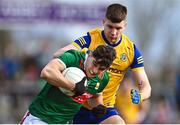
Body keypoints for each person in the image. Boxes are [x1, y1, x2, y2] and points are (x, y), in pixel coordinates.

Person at [53, 3, 151, 124]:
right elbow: (58, 54)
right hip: (77, 105)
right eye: (110, 26)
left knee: (118, 123)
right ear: (103, 22)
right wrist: (86, 56)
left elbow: (146, 86)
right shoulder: (90, 39)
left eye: (118, 28)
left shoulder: (131, 51)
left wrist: (140, 96)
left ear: (124, 26)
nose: (113, 32)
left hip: (103, 108)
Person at [20, 45, 116, 124]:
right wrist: (72, 86)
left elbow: (95, 96)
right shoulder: (73, 58)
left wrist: (98, 106)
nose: (94, 70)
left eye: (101, 69)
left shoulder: (103, 79)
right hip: (39, 118)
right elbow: (47, 72)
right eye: (94, 64)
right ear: (90, 55)